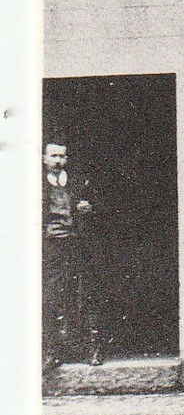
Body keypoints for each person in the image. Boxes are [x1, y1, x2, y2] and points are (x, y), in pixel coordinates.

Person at [42, 143, 100, 367]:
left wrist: (88, 207)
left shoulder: (78, 182)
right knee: (52, 297)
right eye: (53, 156)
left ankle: (93, 350)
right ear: (44, 159)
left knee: (84, 295)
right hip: (52, 247)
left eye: (62, 156)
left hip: (78, 243)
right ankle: (52, 353)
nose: (58, 160)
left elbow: (97, 205)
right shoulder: (37, 184)